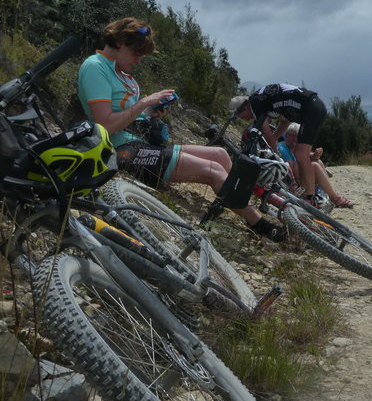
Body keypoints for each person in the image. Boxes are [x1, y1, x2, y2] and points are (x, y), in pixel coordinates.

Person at [77, 17, 284, 241]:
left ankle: (239, 200)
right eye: (136, 54)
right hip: (122, 150)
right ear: (120, 43)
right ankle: (260, 224)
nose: (138, 61)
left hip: (141, 142)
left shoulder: (121, 74)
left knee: (220, 154)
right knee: (213, 170)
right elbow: (105, 125)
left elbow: (131, 115)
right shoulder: (95, 67)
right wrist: (143, 103)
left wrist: (151, 113)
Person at [230, 83, 327, 204]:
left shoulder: (255, 103)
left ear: (244, 107)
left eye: (240, 115)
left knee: (301, 155)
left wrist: (275, 152)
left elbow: (266, 131)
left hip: (311, 109)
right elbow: (285, 121)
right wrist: (275, 140)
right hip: (314, 106)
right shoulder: (263, 100)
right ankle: (309, 194)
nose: (242, 119)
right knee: (300, 154)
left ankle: (311, 198)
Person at [278, 123, 355, 208]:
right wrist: (306, 161)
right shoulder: (282, 148)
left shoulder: (292, 148)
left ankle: (329, 194)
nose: (296, 139)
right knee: (314, 166)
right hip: (293, 186)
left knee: (318, 161)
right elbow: (294, 173)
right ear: (286, 135)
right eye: (293, 135)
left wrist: (314, 155)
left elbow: (304, 156)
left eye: (298, 136)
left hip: (300, 182)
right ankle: (335, 199)